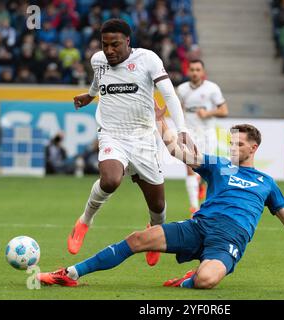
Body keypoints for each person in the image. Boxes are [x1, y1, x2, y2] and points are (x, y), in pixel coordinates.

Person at [37, 102, 284, 288]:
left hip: (229, 239)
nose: (232, 148)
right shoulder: (218, 165)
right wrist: (162, 124)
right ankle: (69, 273)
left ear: (253, 148)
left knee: (207, 281)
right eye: (231, 143)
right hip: (198, 226)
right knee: (137, 239)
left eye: (238, 144)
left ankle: (191, 278)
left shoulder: (266, 182)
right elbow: (178, 151)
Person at [69, 19, 189, 267]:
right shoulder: (98, 60)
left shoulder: (148, 60)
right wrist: (90, 96)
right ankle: (84, 221)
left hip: (143, 137)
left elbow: (169, 95)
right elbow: (98, 79)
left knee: (157, 206)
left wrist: (182, 130)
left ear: (127, 42)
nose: (109, 51)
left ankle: (154, 234)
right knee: (111, 180)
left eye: (115, 45)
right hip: (112, 133)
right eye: (105, 45)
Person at [176, 59, 228, 214]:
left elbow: (224, 111)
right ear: (188, 71)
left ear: (203, 72)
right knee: (190, 168)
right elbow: (178, 109)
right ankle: (194, 209)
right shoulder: (182, 89)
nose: (194, 72)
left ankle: (201, 186)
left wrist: (208, 113)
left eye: (198, 70)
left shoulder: (212, 88)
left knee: (206, 170)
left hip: (207, 134)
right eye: (192, 69)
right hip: (190, 133)